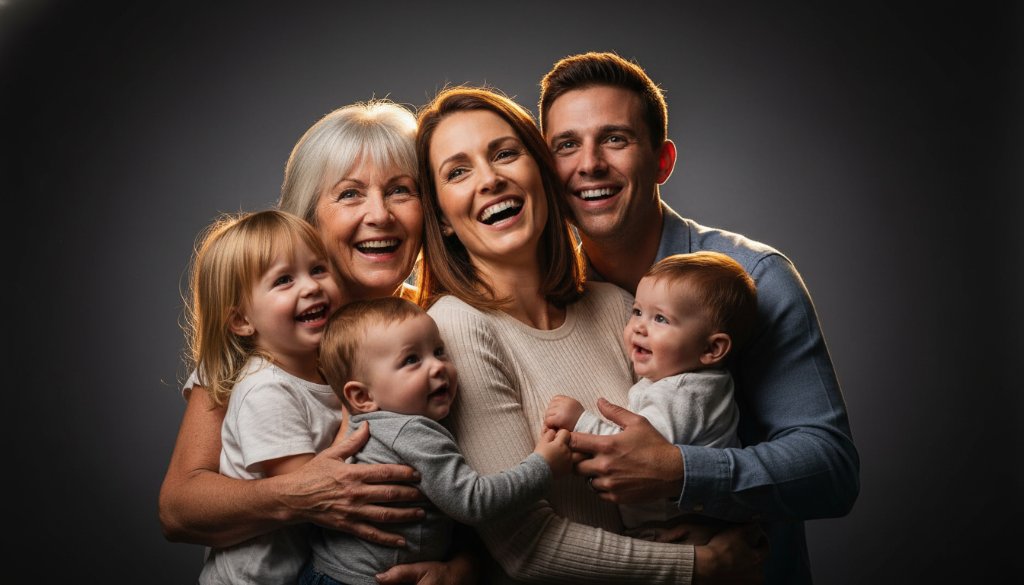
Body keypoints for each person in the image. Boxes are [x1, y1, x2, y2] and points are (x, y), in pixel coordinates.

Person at [414, 85, 767, 584]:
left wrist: (707, 524)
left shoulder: (617, 307)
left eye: (505, 154)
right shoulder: (454, 327)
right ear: (443, 219)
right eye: (458, 171)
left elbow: (684, 441)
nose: (490, 180)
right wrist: (699, 564)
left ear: (540, 171)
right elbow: (526, 548)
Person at [538, 51, 860, 584]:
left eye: (615, 139)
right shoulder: (549, 293)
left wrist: (679, 472)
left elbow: (831, 470)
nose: (589, 163)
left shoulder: (756, 278)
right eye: (566, 145)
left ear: (662, 162)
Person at [159, 99, 478, 584]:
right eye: (350, 194)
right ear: (308, 218)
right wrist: (301, 495)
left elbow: (471, 487)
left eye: (400, 191)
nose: (380, 214)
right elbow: (178, 511)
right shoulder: (264, 346)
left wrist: (461, 570)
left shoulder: (440, 327)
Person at [302, 297, 572, 585]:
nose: (437, 367)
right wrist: (543, 466)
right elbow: (473, 501)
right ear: (363, 397)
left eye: (439, 351)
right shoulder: (412, 432)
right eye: (411, 360)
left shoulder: (370, 426)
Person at [545, 251, 756, 543]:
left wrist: (579, 420)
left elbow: (635, 454)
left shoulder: (683, 394)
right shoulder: (697, 380)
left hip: (676, 534)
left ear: (712, 349)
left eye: (660, 318)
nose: (639, 327)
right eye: (636, 312)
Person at [182, 209, 344, 584]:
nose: (312, 287)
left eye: (318, 269)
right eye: (284, 280)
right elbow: (315, 490)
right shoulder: (266, 389)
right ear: (241, 321)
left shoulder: (329, 369)